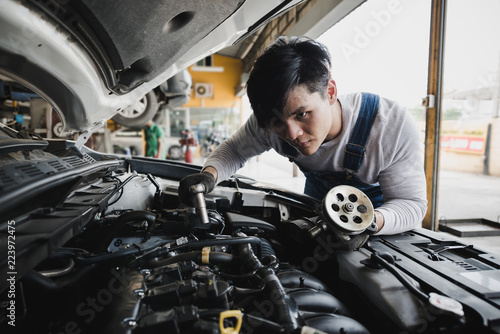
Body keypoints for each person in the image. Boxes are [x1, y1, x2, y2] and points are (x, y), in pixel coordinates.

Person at [178, 36, 427, 236]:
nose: (292, 134)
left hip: (381, 224)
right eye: (277, 122)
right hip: (317, 205)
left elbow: (411, 204)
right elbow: (234, 151)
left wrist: (366, 223)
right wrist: (208, 177)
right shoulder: (267, 122)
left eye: (302, 114)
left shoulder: (388, 125)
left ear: (329, 92)